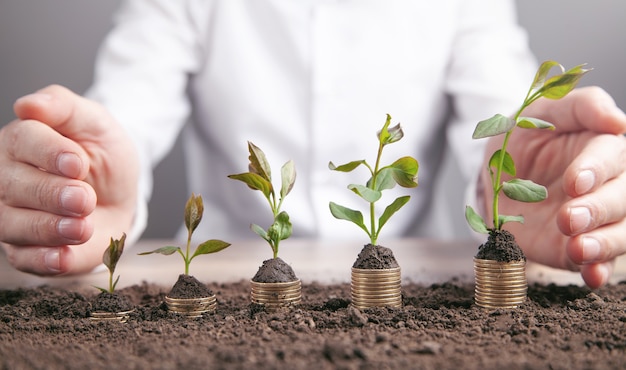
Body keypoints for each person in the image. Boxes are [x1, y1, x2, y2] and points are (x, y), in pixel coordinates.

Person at [1, 0, 625, 289]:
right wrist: (89, 180)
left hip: (416, 290)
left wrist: (518, 179)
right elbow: (127, 110)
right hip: (237, 288)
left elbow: (500, 108)